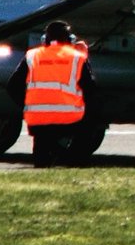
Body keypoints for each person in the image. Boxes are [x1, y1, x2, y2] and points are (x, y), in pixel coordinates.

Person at [6, 20, 95, 167]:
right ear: (69, 39)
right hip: (70, 118)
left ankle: (44, 160)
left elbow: (12, 86)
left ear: (45, 39)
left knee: (41, 154)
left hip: (39, 120)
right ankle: (77, 159)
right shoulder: (77, 57)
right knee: (90, 122)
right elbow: (91, 87)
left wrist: (27, 106)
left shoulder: (32, 56)